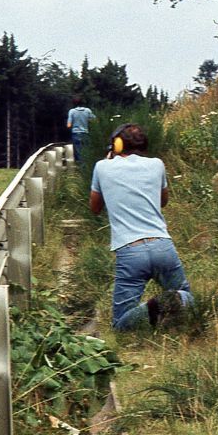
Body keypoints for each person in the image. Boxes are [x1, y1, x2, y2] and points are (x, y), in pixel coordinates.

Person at [90, 123, 194, 330]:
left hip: (130, 251)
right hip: (163, 246)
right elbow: (163, 201)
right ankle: (172, 302)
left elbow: (94, 207)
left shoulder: (102, 167)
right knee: (187, 298)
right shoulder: (157, 164)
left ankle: (154, 307)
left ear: (117, 144)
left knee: (120, 324)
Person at [66, 96, 96, 163]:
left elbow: (69, 125)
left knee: (78, 153)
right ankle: (85, 168)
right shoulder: (88, 110)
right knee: (86, 151)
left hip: (76, 133)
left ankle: (80, 168)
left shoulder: (72, 111)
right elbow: (95, 121)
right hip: (85, 133)